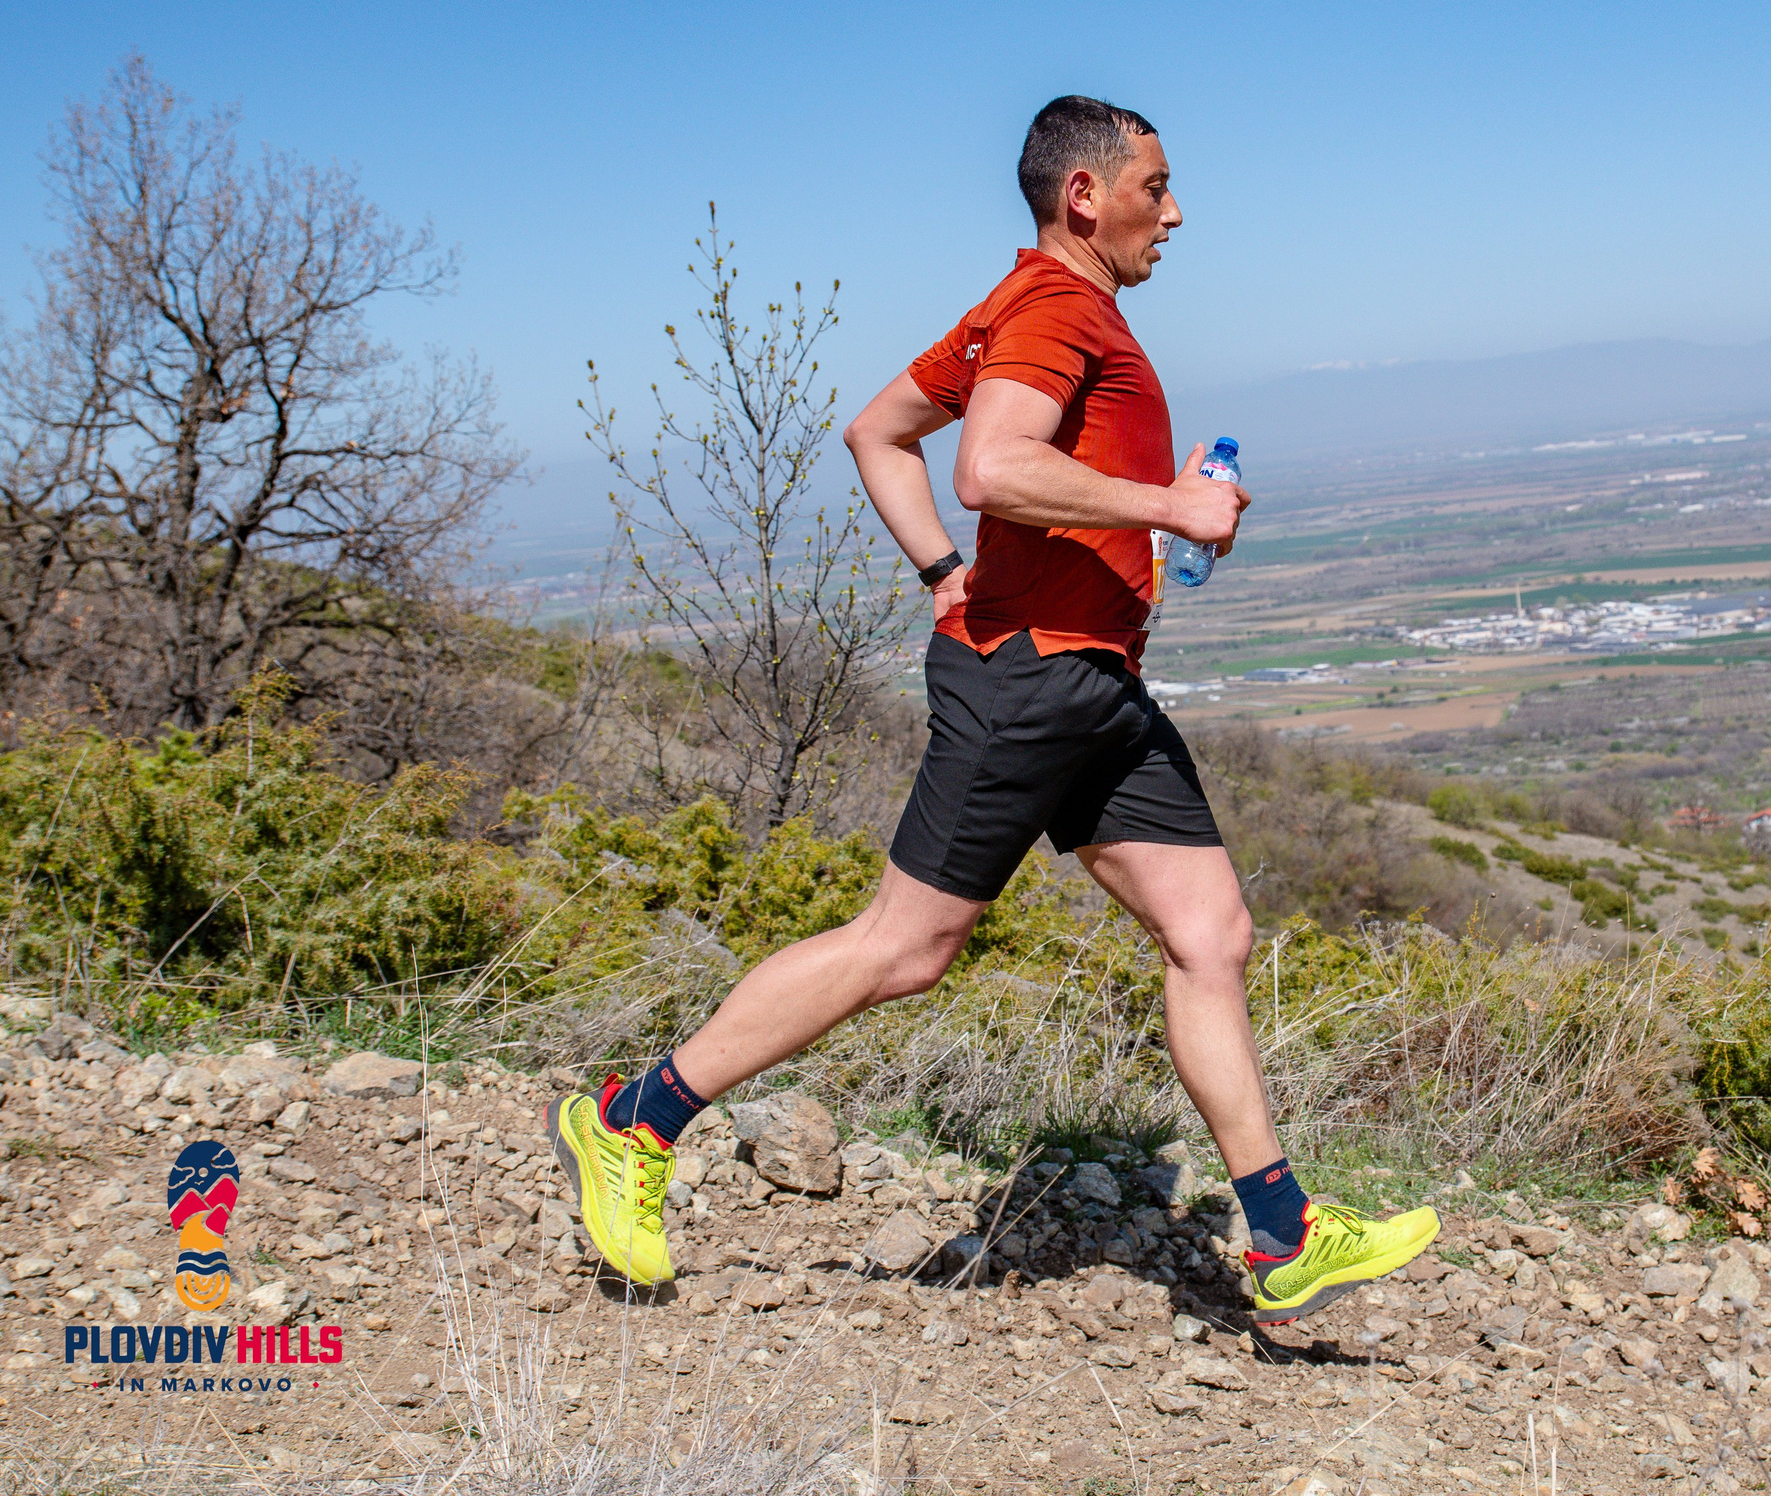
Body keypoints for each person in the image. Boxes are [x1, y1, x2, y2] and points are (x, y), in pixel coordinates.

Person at [548, 95, 1438, 1325]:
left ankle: (1284, 1232)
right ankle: (629, 1120)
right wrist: (1171, 510)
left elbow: (878, 432)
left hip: (1092, 685)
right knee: (903, 948)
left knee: (1209, 931)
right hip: (1029, 682)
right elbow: (989, 467)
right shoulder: (1060, 308)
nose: (1173, 213)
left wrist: (937, 572)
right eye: (1155, 187)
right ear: (1086, 195)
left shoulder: (1018, 304)